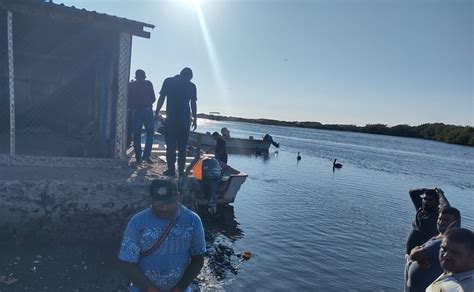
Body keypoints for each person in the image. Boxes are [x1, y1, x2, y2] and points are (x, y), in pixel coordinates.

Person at [118, 178, 206, 292]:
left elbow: (198, 260)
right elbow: (127, 263)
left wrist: (179, 288)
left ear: (178, 197)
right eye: (158, 202)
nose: (163, 208)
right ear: (151, 199)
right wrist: (150, 289)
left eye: (169, 202)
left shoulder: (193, 220)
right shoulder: (137, 222)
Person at [406, 207, 461, 292]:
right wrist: (421, 258)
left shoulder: (444, 242)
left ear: (455, 223)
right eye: (439, 219)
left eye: (446, 220)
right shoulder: (440, 236)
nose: (441, 222)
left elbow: (414, 255)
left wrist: (418, 251)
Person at [155, 68, 197, 178]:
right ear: (188, 77)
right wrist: (195, 119)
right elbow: (193, 103)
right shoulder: (191, 86)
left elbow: (162, 97)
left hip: (172, 120)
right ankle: (181, 171)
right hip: (184, 121)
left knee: (171, 146)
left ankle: (172, 170)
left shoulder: (169, 81)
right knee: (182, 147)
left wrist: (157, 113)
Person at [426, 227, 474, 291]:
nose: (446, 256)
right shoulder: (453, 270)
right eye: (444, 249)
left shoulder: (469, 288)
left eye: (455, 253)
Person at [406, 188, 450, 255]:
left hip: (423, 256)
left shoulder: (438, 215)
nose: (425, 201)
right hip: (410, 254)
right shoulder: (421, 209)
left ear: (437, 202)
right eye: (424, 199)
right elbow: (412, 192)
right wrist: (429, 189)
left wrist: (440, 194)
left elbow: (446, 207)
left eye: (430, 200)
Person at [129, 69, 156, 164]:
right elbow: (153, 98)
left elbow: (129, 98)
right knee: (150, 133)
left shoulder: (132, 85)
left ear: (136, 76)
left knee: (137, 134)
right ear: (144, 76)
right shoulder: (148, 84)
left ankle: (138, 157)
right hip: (147, 110)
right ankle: (146, 156)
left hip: (136, 110)